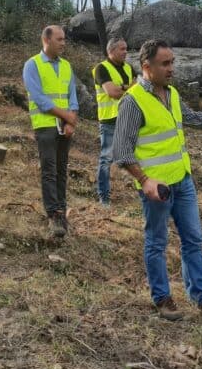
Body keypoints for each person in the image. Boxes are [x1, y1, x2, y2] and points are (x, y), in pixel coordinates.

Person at [113, 39, 202, 321]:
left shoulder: (172, 94)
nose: (171, 68)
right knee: (156, 242)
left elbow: (191, 117)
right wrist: (144, 180)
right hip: (157, 189)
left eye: (172, 62)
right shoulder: (132, 102)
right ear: (146, 67)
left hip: (182, 181)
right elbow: (121, 152)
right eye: (165, 64)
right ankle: (162, 298)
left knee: (192, 239)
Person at [22, 25, 79, 238]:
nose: (63, 43)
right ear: (46, 39)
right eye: (59, 39)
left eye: (64, 39)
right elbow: (40, 99)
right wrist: (66, 116)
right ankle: (53, 214)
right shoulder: (32, 65)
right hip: (45, 125)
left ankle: (62, 210)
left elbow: (72, 97)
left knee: (61, 169)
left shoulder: (66, 66)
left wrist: (71, 121)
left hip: (64, 126)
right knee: (49, 169)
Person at [92, 37, 133, 206]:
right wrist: (127, 87)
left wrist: (123, 87)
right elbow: (112, 92)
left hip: (128, 118)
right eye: (122, 49)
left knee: (134, 156)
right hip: (109, 119)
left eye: (126, 48)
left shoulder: (129, 68)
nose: (125, 52)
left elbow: (140, 87)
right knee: (106, 159)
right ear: (111, 51)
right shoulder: (101, 68)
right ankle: (104, 197)